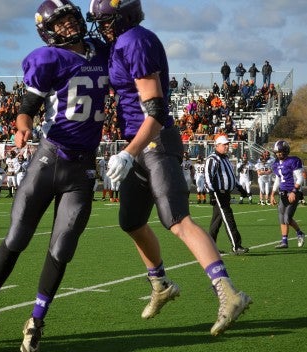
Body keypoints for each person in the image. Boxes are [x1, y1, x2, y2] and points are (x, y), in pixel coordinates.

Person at [87, 0, 251, 337]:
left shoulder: (135, 40)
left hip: (156, 141)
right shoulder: (120, 42)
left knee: (176, 219)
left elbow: (157, 110)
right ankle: (160, 284)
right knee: (131, 221)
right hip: (139, 143)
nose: (101, 27)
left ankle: (228, 293)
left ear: (123, 16)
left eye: (105, 20)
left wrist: (129, 153)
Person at [0, 1, 109, 351]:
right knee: (17, 237)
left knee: (62, 248)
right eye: (59, 24)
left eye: (69, 20)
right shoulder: (48, 59)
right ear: (48, 32)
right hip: (49, 158)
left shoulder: (102, 51)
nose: (66, 27)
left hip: (83, 167)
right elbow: (26, 110)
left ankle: (36, 320)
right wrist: (22, 129)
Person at [204, 135, 249, 254]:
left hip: (225, 193)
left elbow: (231, 177)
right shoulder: (212, 159)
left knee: (216, 221)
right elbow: (208, 177)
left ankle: (210, 247)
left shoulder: (225, 158)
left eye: (227, 144)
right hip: (219, 193)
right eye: (224, 145)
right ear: (217, 146)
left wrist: (240, 188)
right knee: (229, 219)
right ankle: (236, 246)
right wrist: (212, 193)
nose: (226, 146)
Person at [269, 140, 305, 249]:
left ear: (286, 151)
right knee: (281, 217)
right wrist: (272, 193)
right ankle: (284, 241)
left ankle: (300, 233)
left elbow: (300, 178)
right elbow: (278, 179)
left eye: (281, 151)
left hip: (292, 192)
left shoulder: (293, 161)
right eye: (277, 152)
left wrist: (294, 191)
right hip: (282, 192)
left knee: (287, 218)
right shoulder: (275, 164)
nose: (279, 154)